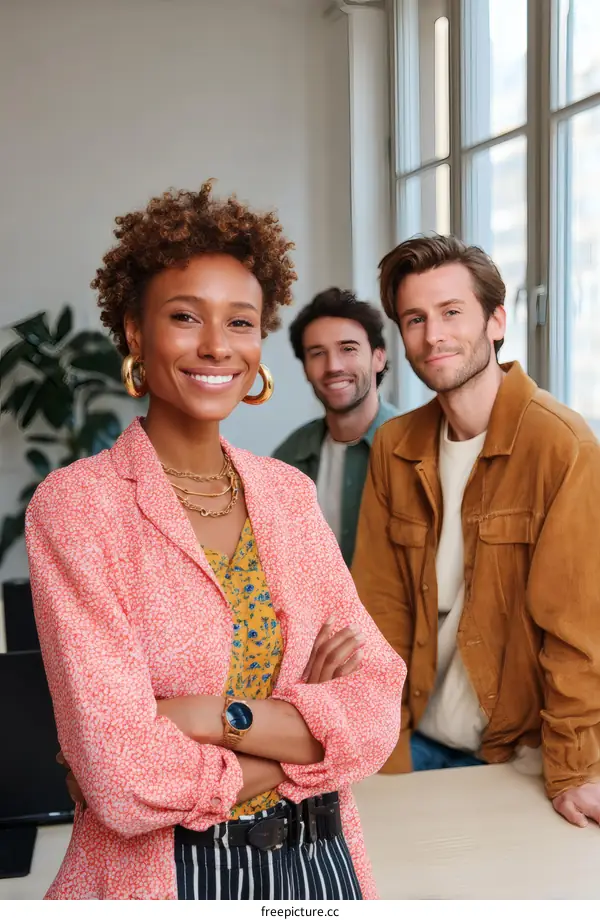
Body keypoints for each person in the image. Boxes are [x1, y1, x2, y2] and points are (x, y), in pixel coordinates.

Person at [25, 182, 406, 901]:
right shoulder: (79, 507)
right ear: (136, 333)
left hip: (320, 867)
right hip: (165, 877)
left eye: (241, 322)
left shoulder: (288, 495)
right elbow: (124, 778)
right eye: (183, 317)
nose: (215, 346)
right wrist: (301, 731)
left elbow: (377, 707)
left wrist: (211, 718)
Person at [352, 233, 600, 829]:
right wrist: (379, 751)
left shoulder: (563, 446)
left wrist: (572, 769)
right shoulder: (394, 444)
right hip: (409, 745)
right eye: (415, 318)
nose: (433, 335)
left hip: (517, 759)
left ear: (496, 320)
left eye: (451, 312)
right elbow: (376, 610)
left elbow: (578, 631)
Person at [273, 288, 398, 567]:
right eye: (317, 353)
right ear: (305, 368)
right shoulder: (288, 458)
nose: (333, 366)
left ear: (378, 357)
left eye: (348, 349)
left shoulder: (414, 447)